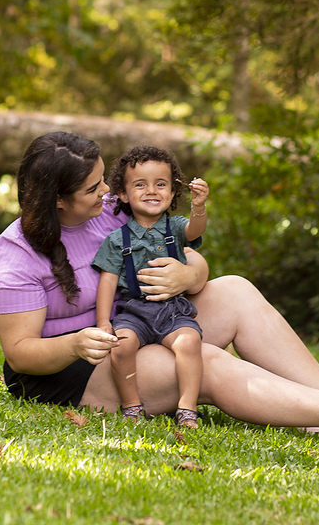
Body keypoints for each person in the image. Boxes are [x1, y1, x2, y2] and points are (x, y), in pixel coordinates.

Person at [0, 131, 319, 450]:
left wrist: (190, 275)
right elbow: (20, 353)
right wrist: (78, 343)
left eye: (104, 180)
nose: (106, 192)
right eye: (92, 187)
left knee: (234, 289)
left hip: (140, 319)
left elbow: (186, 250)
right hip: (73, 372)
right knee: (202, 358)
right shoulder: (14, 257)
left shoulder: (108, 211)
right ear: (57, 200)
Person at [91, 145, 210, 428]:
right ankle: (132, 405)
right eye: (140, 185)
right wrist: (102, 322)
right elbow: (107, 280)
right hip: (134, 311)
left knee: (190, 341)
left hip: (171, 311)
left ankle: (187, 407)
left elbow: (196, 231)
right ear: (123, 194)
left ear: (172, 193)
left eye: (161, 185)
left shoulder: (176, 227)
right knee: (121, 347)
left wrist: (199, 207)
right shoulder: (117, 239)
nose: (152, 191)